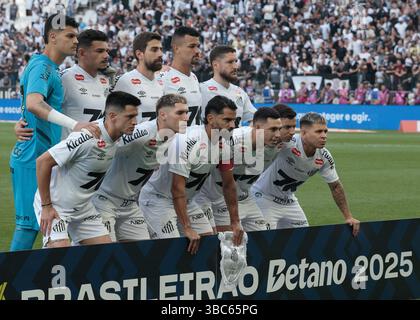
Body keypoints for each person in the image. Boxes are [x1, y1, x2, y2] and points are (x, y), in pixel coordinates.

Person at [9, 14, 99, 251]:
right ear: (52, 36)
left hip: (44, 156)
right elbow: (33, 104)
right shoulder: (42, 66)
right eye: (69, 35)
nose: (75, 41)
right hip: (32, 158)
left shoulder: (50, 68)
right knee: (28, 228)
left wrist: (19, 123)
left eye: (76, 36)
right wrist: (74, 125)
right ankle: (5, 286)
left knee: (48, 228)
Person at [34, 91, 140, 248]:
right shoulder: (87, 137)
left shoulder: (119, 136)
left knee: (104, 254)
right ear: (112, 116)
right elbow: (43, 162)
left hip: (83, 208)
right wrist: (46, 206)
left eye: (136, 116)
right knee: (59, 254)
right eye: (129, 117)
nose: (135, 122)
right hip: (56, 206)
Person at [139, 95, 244, 254]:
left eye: (234, 120)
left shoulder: (226, 141)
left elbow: (229, 184)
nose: (232, 125)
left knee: (207, 244)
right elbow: (177, 189)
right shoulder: (187, 140)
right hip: (158, 200)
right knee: (171, 250)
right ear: (210, 118)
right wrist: (187, 227)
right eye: (227, 120)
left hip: (186, 201)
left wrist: (235, 221)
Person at [92, 94, 189, 242]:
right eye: (180, 113)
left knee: (142, 256)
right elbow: (103, 138)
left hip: (130, 204)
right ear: (162, 115)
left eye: (186, 112)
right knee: (102, 254)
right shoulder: (141, 133)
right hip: (104, 200)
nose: (186, 117)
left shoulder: (176, 138)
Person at [252, 112, 360, 236]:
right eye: (318, 132)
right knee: (265, 241)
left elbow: (335, 186)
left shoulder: (324, 157)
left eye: (325, 131)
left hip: (288, 201)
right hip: (264, 197)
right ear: (303, 133)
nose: (324, 136)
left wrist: (348, 217)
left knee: (305, 239)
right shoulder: (287, 143)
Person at [194, 107, 282, 232]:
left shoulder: (274, 147)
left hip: (239, 198)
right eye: (273, 129)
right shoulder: (231, 141)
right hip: (209, 197)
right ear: (256, 127)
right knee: (221, 242)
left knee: (261, 238)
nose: (278, 135)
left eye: (279, 129)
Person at [113, 32, 164, 123]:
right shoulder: (125, 81)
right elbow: (116, 125)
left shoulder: (163, 81)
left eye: (161, 49)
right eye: (154, 49)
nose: (160, 54)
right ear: (139, 54)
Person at [200, 45, 256, 127]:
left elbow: (257, 120)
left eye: (235, 61)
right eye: (230, 62)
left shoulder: (240, 92)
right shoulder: (201, 89)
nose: (235, 66)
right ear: (215, 65)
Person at [159, 26, 202, 126]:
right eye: (192, 46)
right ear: (176, 48)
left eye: (198, 46)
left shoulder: (194, 77)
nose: (197, 51)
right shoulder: (164, 79)